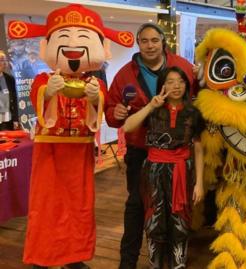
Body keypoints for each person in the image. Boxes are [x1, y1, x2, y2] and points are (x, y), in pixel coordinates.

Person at [7, 4, 135, 269]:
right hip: (49, 154)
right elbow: (38, 103)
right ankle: (42, 257)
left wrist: (95, 99)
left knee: (79, 207)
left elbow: (97, 113)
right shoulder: (43, 79)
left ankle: (73, 256)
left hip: (79, 153)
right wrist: (49, 93)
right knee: (46, 205)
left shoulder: (95, 83)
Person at [105, 22, 194, 269]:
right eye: (144, 41)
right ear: (138, 43)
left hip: (177, 155)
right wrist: (117, 112)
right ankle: (128, 260)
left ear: (163, 41)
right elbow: (111, 115)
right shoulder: (125, 74)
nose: (150, 45)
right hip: (141, 152)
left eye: (154, 40)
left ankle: (169, 258)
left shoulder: (183, 67)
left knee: (174, 208)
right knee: (136, 206)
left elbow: (196, 100)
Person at [122, 67, 204, 269]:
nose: (176, 86)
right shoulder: (154, 109)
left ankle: (178, 263)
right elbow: (128, 126)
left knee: (181, 219)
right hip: (153, 171)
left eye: (181, 81)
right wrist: (150, 106)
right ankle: (155, 263)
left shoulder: (194, 112)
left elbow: (200, 149)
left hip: (182, 171)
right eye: (170, 81)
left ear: (186, 85)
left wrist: (199, 183)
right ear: (162, 86)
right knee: (154, 217)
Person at [0, 50, 19, 130]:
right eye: (1, 60)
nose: (4, 63)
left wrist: (15, 119)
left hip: (7, 119)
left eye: (5, 60)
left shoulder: (10, 79)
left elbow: (14, 100)